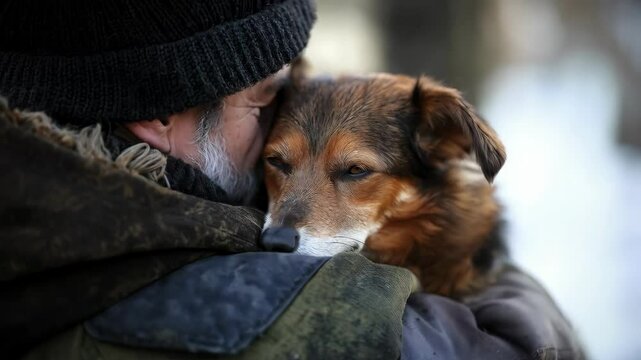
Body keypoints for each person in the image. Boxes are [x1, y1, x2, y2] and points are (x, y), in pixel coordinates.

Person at [0, 0, 585, 359]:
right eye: (260, 105)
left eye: (352, 171)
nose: (282, 111)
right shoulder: (207, 294)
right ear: (156, 118)